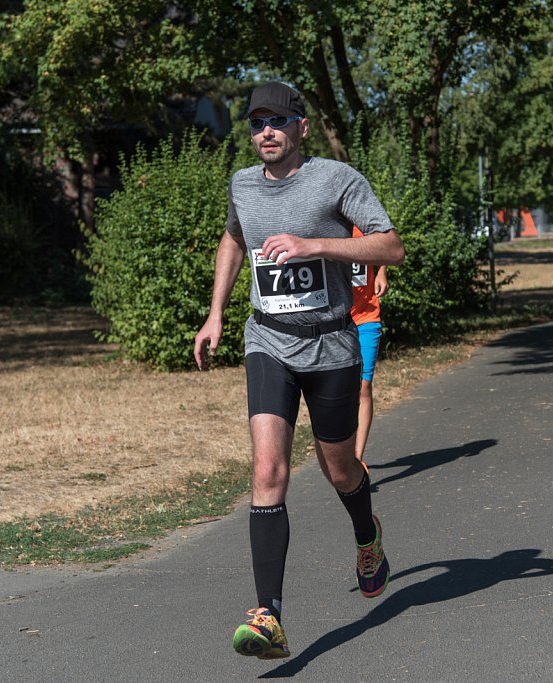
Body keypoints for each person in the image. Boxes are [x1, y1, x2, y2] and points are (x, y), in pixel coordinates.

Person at [192, 82, 405, 661]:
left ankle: (367, 537)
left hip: (332, 343)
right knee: (267, 471)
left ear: (300, 127)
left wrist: (317, 246)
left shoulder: (337, 179)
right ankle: (269, 617)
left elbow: (390, 248)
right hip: (268, 340)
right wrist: (214, 315)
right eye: (257, 121)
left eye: (278, 122)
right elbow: (234, 240)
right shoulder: (241, 183)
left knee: (339, 468)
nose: (266, 131)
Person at [350, 226, 389, 463]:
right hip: (334, 321)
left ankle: (356, 459)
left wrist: (382, 271)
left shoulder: (362, 224)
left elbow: (388, 243)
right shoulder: (324, 225)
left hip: (366, 318)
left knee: (364, 387)